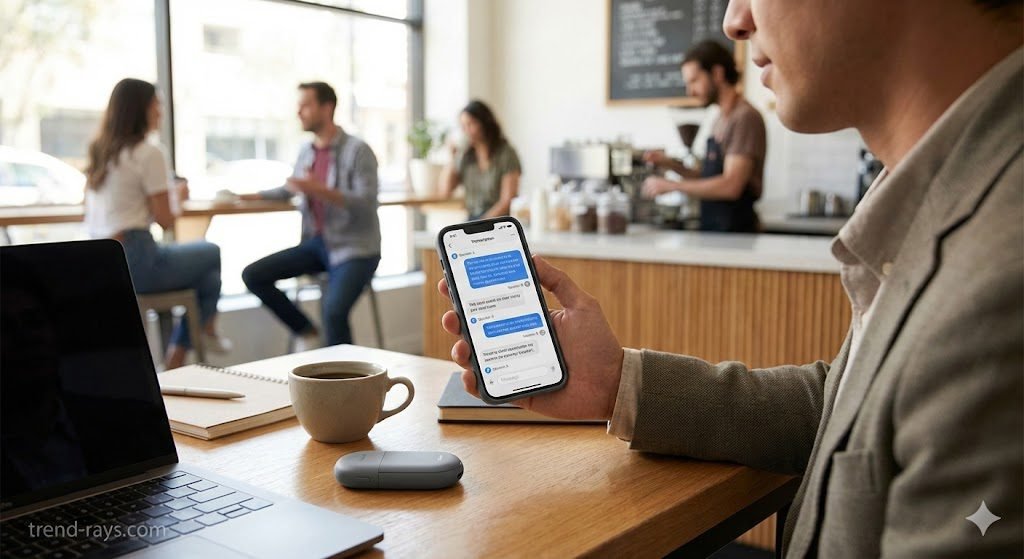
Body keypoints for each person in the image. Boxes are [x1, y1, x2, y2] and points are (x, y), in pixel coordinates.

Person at [440, 0, 1023, 556]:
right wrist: (615, 381)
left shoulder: (999, 282)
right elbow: (846, 408)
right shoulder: (945, 194)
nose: (734, 21)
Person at [84, 78, 228, 370]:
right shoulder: (148, 152)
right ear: (141, 109)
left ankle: (182, 353)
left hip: (100, 260)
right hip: (137, 258)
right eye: (156, 105)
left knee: (209, 279)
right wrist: (178, 197)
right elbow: (166, 220)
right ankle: (196, 340)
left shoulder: (101, 151)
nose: (161, 112)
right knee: (211, 252)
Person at [241, 82, 381, 350]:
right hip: (317, 245)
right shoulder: (307, 151)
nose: (299, 112)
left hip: (356, 250)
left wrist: (320, 190)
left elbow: (366, 202)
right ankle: (307, 331)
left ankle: (344, 374)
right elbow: (293, 188)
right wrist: (251, 196)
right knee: (253, 275)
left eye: (306, 106)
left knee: (334, 312)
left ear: (327, 108)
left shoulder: (358, 150)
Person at [642, 40, 767, 233]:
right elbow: (707, 177)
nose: (690, 91)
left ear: (717, 73)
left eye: (694, 81)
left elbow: (731, 186)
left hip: (736, 231)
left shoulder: (744, 117)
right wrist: (669, 164)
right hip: (715, 227)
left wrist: (673, 186)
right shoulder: (720, 118)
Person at [438, 100, 522, 220]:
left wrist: (481, 224)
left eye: (470, 124)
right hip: (473, 219)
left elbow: (508, 200)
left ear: (485, 123)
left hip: (498, 221)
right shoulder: (465, 156)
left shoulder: (506, 154)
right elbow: (445, 191)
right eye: (463, 126)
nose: (466, 131)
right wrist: (452, 158)